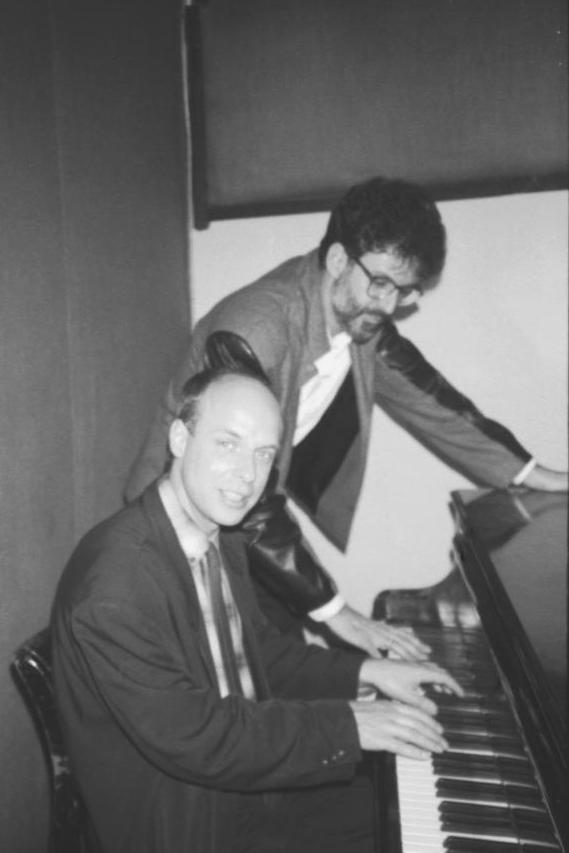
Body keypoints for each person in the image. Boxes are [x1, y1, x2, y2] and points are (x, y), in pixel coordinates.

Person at [51, 364, 463, 853]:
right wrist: (351, 724)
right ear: (180, 438)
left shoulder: (218, 534)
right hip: (189, 829)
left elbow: (262, 654)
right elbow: (202, 736)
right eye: (228, 442)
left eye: (265, 453)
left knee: (404, 830)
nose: (248, 474)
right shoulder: (116, 589)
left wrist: (366, 672)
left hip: (247, 789)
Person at [125, 177, 567, 661]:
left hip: (242, 514)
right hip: (177, 532)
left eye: (406, 290)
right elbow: (237, 480)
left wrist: (537, 475)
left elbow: (437, 405)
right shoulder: (253, 332)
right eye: (380, 283)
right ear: (337, 259)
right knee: (257, 684)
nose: (390, 305)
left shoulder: (360, 320)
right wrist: (338, 613)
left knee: (287, 665)